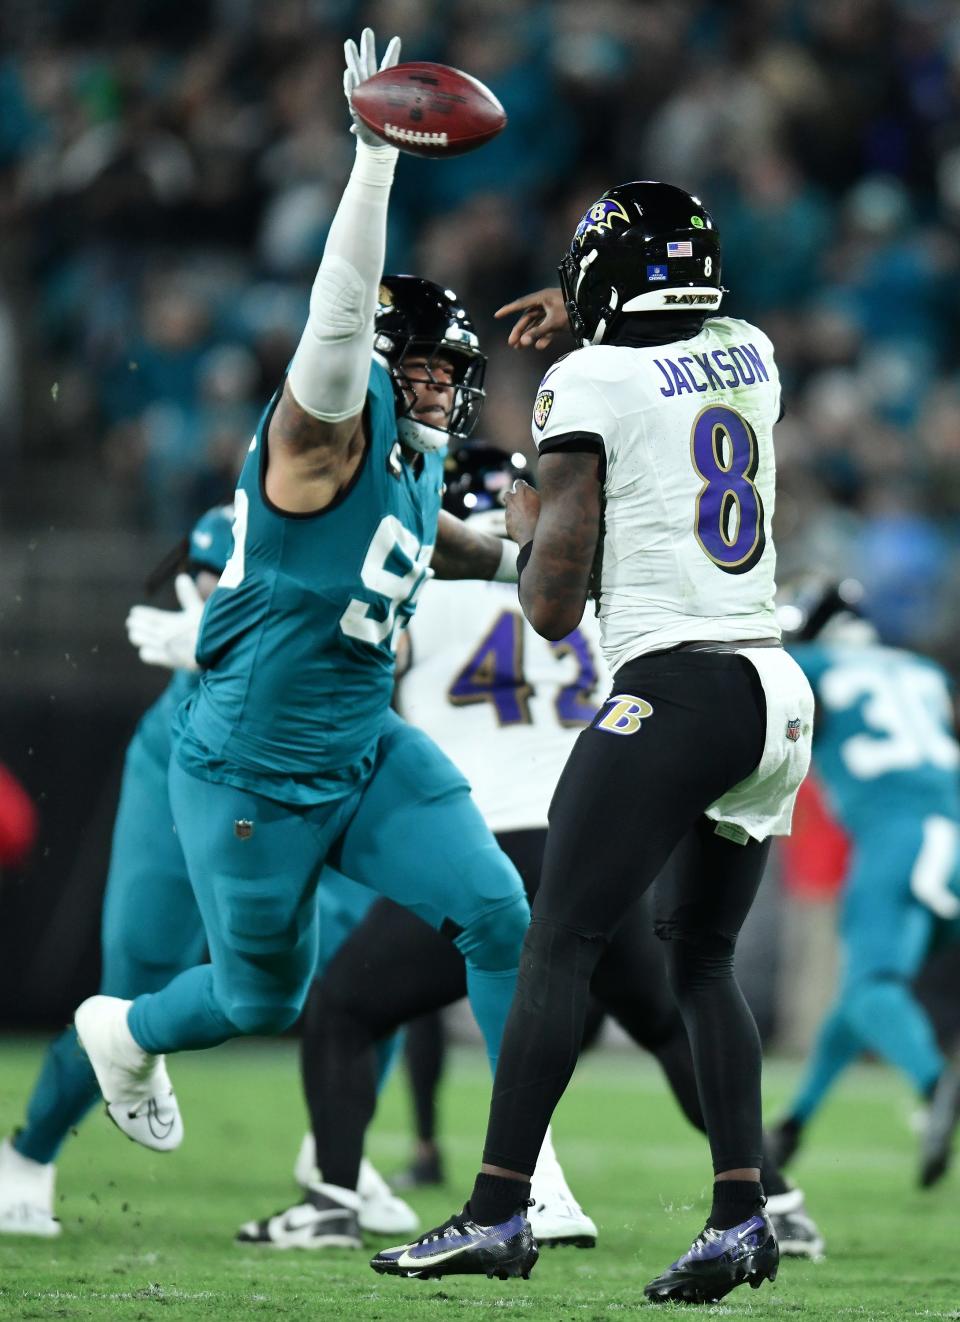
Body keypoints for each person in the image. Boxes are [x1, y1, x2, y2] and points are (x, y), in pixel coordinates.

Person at [72, 33, 531, 1222]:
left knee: (496, 908)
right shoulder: (325, 428)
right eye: (418, 371)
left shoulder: (418, 464)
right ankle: (124, 1032)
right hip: (250, 770)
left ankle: (509, 1185)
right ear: (377, 368)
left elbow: (439, 544)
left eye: (449, 375)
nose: (436, 391)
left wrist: (531, 560)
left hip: (363, 746)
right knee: (258, 999)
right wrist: (372, 168)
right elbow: (334, 329)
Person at [371, 180, 814, 1304]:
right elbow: (683, 338)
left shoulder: (588, 380)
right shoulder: (750, 351)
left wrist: (522, 533)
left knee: (557, 940)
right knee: (700, 959)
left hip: (674, 686)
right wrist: (601, 312)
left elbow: (556, 605)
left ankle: (499, 1206)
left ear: (610, 281)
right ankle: (741, 1216)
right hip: (773, 683)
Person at [269, 443, 822, 1259]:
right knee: (677, 1008)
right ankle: (774, 1199)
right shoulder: (585, 567)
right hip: (596, 831)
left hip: (480, 836)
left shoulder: (423, 566)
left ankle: (349, 1200)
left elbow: (354, 663)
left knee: (347, 1006)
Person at [767, 577, 960, 1189]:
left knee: (876, 985)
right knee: (862, 990)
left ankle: (938, 1088)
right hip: (952, 828)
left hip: (895, 841)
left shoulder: (808, 664)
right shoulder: (921, 669)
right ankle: (794, 1121)